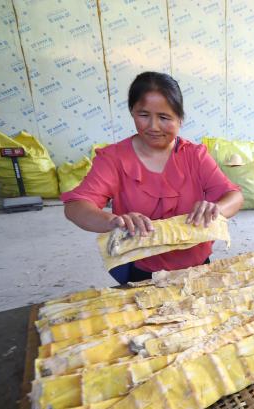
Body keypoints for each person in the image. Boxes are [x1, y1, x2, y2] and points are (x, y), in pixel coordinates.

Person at [61, 71, 244, 284]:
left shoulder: (195, 155)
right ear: (132, 112)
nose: (153, 127)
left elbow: (233, 196)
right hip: (141, 267)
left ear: (180, 119)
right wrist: (113, 221)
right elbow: (76, 207)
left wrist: (216, 209)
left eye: (165, 118)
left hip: (196, 266)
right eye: (143, 115)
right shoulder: (114, 158)